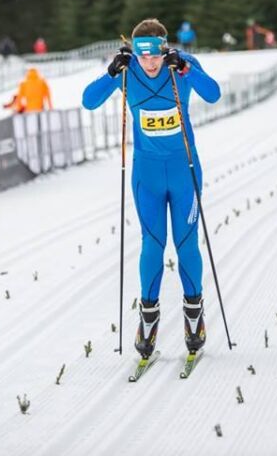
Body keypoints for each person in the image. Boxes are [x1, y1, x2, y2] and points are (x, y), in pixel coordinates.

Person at [82, 18, 221, 359]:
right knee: (153, 245)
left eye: (155, 54)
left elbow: (214, 93)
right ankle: (147, 321)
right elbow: (88, 101)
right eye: (142, 55)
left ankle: (194, 318)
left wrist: (187, 68)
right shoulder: (127, 71)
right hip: (147, 175)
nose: (150, 62)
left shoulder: (181, 65)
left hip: (184, 171)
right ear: (133, 50)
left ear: (164, 47)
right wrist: (111, 73)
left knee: (187, 242)